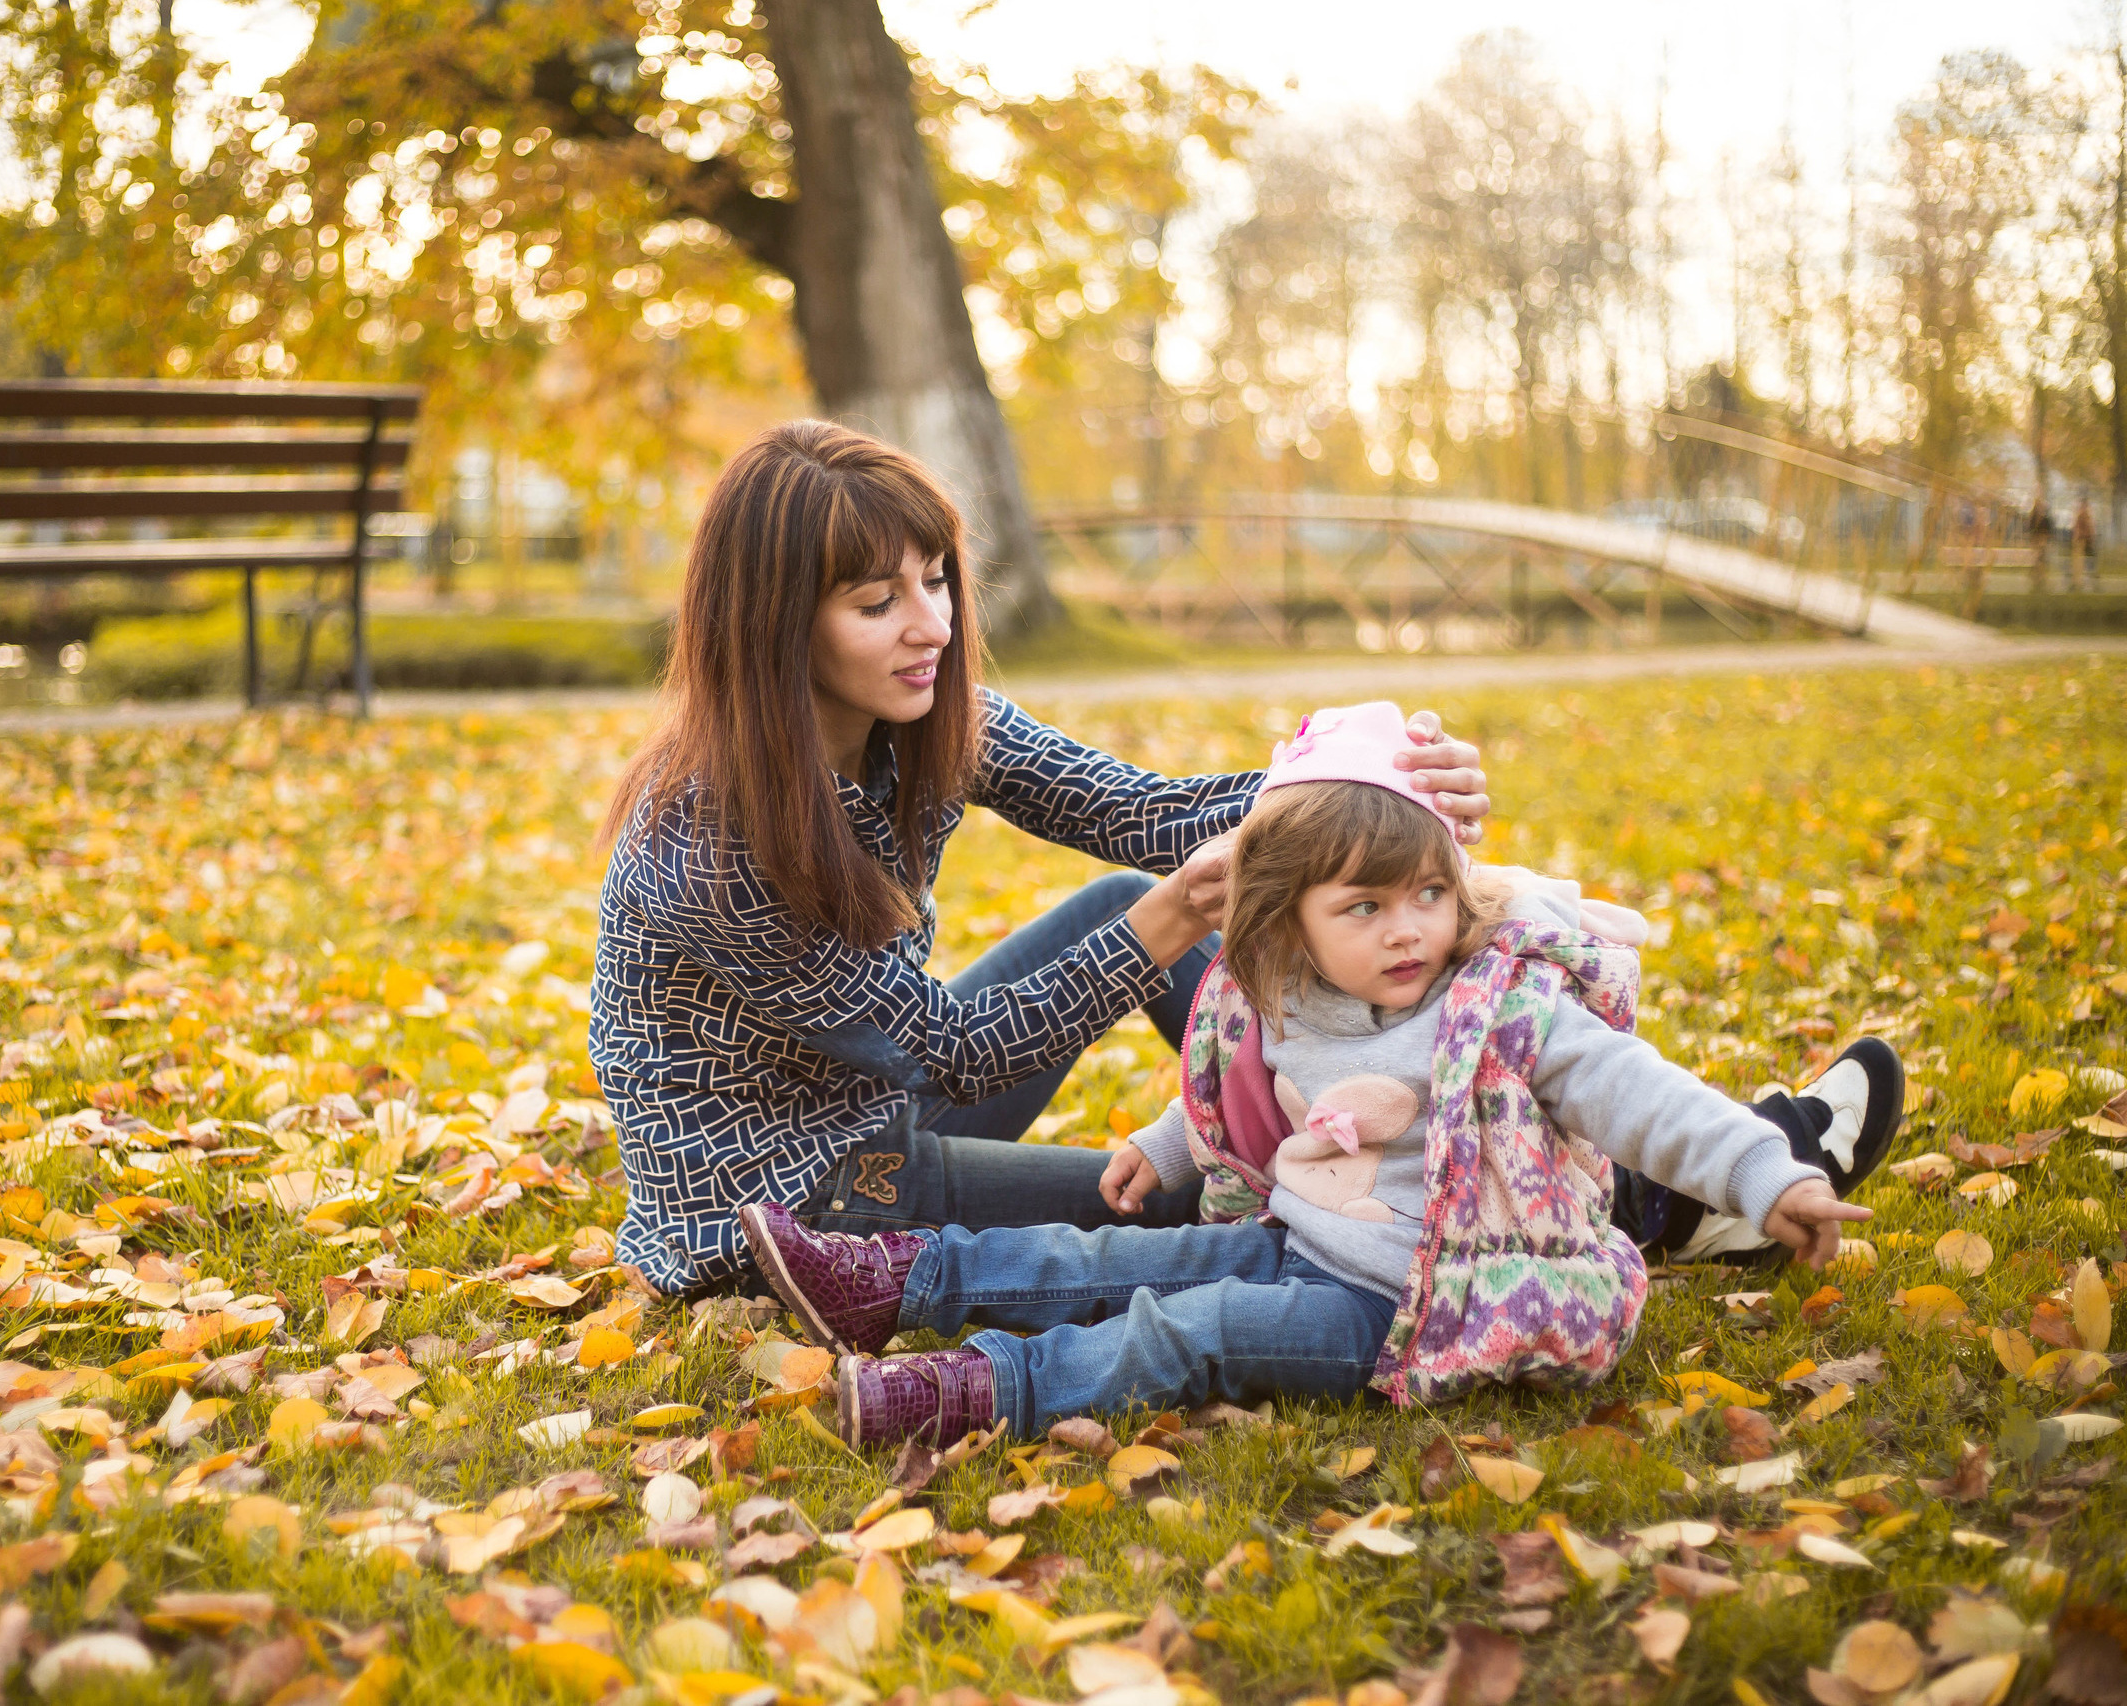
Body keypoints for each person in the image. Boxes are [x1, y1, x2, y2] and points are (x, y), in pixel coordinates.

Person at [737, 703, 1904, 1446]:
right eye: (1364, 905)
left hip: (1395, 1304)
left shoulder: (1499, 1012)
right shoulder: (1285, 990)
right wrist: (1163, 1142)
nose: (1407, 930)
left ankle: (976, 1390)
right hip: (1299, 1236)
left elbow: (1641, 1093)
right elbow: (1242, 1084)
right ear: (1289, 921)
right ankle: (891, 1282)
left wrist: (1766, 1169)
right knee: (1106, 1253)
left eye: (1429, 895)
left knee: (1179, 1335)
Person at [589, 423, 1495, 1299]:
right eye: (878, 604)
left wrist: (1377, 779)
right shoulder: (704, 845)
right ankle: (1418, 1183)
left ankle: (1445, 1108)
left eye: (936, 582)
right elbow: (954, 1055)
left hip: (879, 1099)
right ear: (776, 626)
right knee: (1189, 1194)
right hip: (789, 1201)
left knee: (1117, 899)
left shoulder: (930, 713)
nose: (932, 627)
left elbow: (1142, 812)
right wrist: (1172, 915)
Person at [2074, 497, 2100, 593]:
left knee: (2090, 562)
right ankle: (2081, 582)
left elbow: (2090, 529)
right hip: (2083, 541)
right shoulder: (2082, 515)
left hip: (2087, 541)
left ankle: (2090, 581)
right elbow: (2079, 530)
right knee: (2083, 562)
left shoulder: (2087, 516)